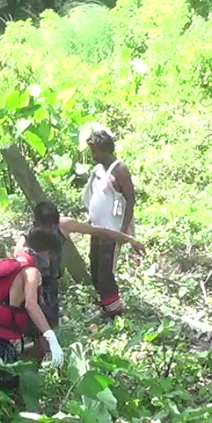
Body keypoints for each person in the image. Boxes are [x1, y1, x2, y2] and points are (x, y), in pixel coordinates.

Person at [20, 200, 145, 357]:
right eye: (44, 229)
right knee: (32, 330)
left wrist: (131, 239)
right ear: (35, 224)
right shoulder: (26, 240)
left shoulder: (64, 226)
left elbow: (101, 231)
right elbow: (17, 266)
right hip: (32, 286)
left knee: (49, 331)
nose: (48, 234)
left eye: (51, 228)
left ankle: (41, 358)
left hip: (50, 286)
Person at [0, 227, 64, 396]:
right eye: (51, 256)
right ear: (46, 252)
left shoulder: (10, 265)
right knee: (8, 398)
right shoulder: (31, 272)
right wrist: (51, 338)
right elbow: (30, 304)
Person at [82, 127, 137, 318]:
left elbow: (130, 199)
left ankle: (115, 311)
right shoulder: (99, 170)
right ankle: (104, 303)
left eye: (94, 151)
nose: (93, 155)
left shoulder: (119, 170)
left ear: (104, 150)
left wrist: (124, 230)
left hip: (113, 230)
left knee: (106, 270)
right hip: (97, 228)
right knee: (95, 265)